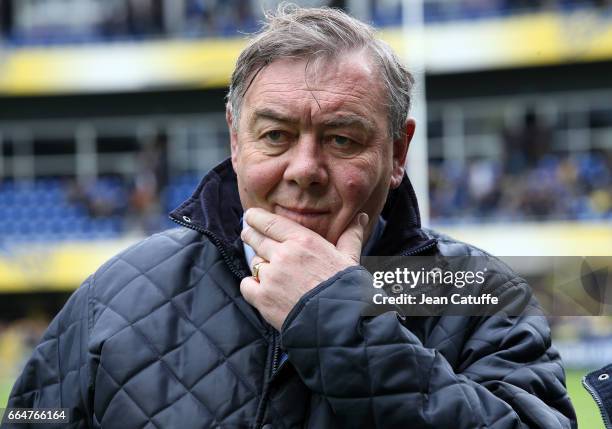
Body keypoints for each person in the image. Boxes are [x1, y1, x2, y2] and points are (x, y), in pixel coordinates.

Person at [4, 6, 576, 428]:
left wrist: (334, 318)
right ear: (236, 139)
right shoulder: (115, 296)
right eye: (276, 135)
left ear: (398, 154)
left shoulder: (473, 294)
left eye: (341, 138)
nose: (305, 168)